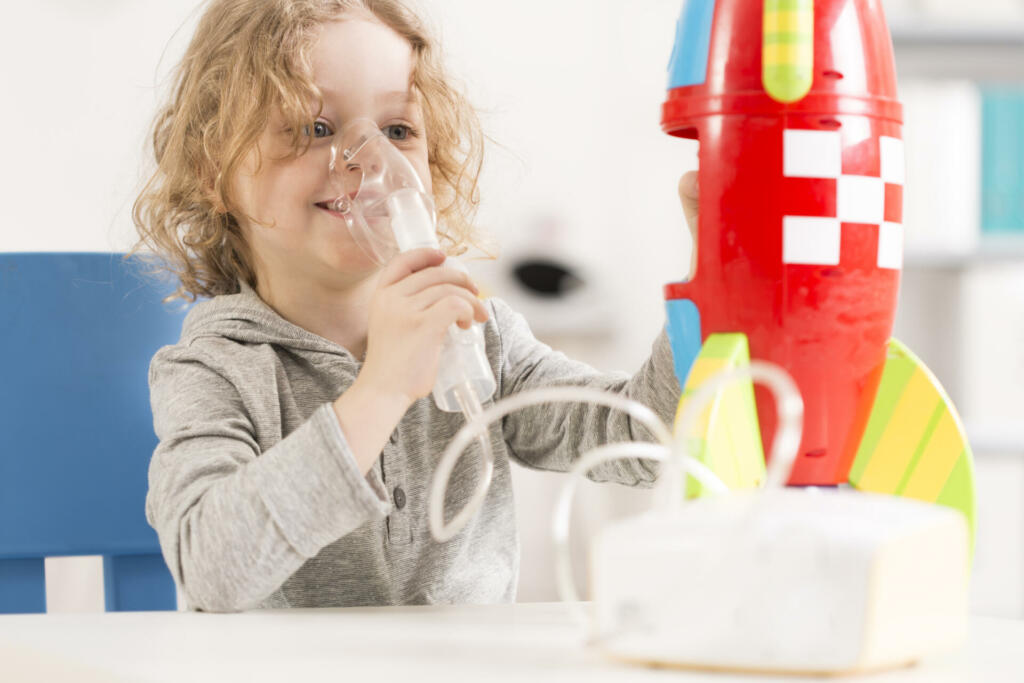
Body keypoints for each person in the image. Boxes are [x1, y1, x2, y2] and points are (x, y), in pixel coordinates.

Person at [134, 0, 699, 612]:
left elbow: (648, 439)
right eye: (315, 128)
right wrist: (381, 390)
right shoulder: (216, 370)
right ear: (214, 167)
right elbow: (212, 571)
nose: (373, 161)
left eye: (398, 130)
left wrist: (714, 273)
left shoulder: (477, 338)